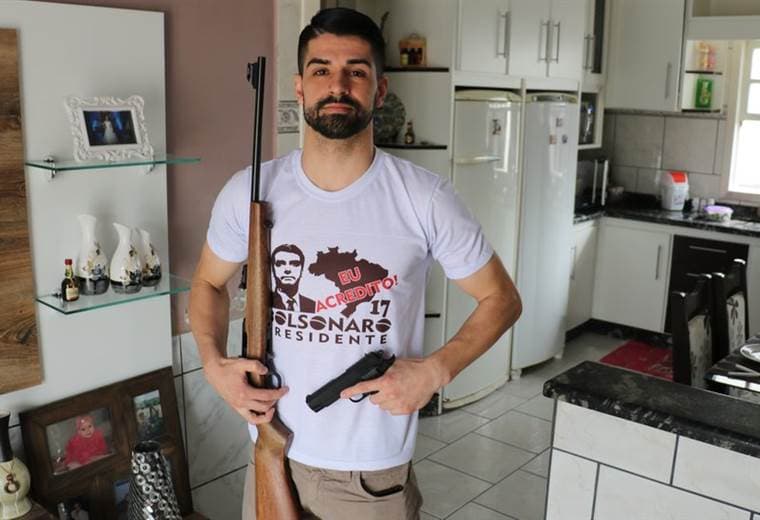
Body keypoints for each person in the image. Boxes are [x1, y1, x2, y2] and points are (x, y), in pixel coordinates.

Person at [189, 7, 522, 519]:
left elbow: (501, 299)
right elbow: (209, 285)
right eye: (321, 69)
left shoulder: (425, 198)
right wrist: (213, 365)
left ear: (380, 91)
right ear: (300, 87)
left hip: (369, 476)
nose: (337, 85)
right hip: (270, 456)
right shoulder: (249, 191)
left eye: (357, 72)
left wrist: (435, 371)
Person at [271, 243, 316, 312]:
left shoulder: (313, 306)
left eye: (294, 264)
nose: (287, 270)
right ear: (273, 269)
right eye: (280, 264)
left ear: (301, 270)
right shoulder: (263, 303)